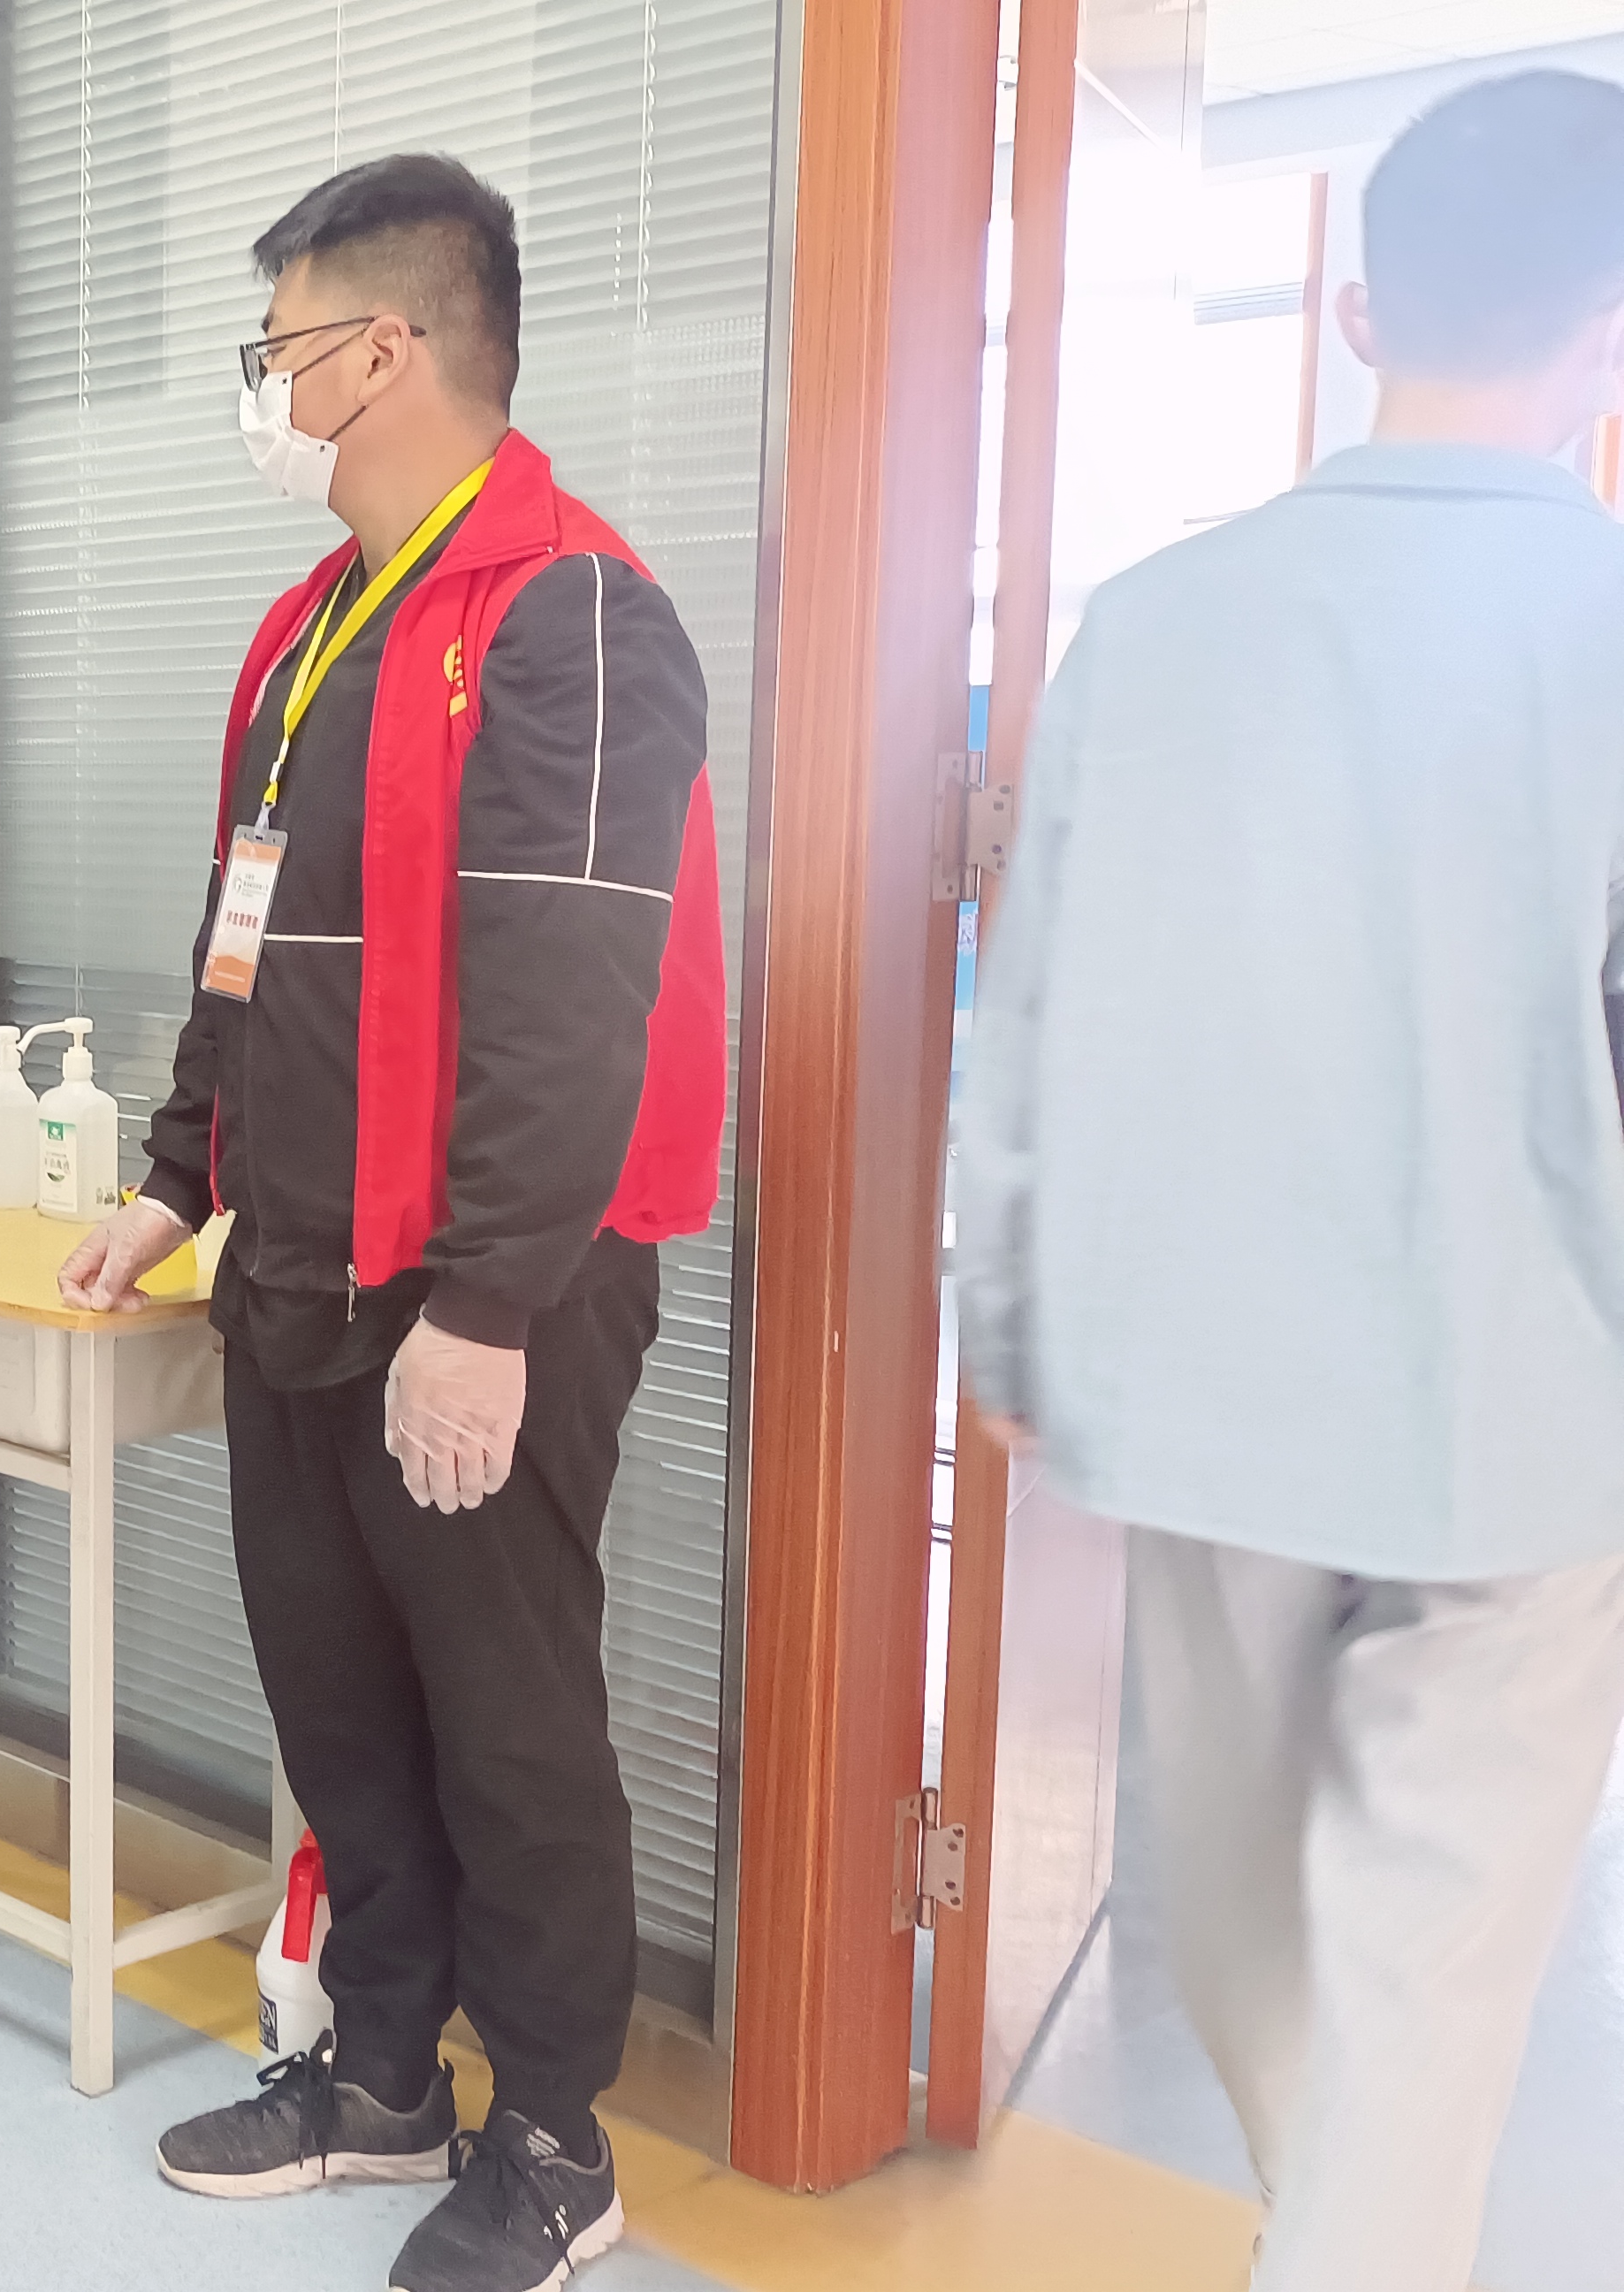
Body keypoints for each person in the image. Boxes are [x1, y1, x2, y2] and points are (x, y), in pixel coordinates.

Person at [959, 74, 1624, 2292]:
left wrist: (1006, 1315)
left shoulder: (1152, 625)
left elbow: (1032, 1004)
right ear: (1609, 332)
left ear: (1356, 312)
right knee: (1434, 1974)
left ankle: (1321, 2236)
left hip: (1208, 1391)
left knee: (1239, 1912)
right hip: (1530, 1407)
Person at [57, 155, 726, 2292]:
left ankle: (552, 2142)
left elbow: (572, 1001)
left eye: (274, 347)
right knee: (341, 1708)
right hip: (297, 1269)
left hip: (480, 1292)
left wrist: (491, 1305)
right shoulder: (310, 628)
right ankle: (379, 2078)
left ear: (382, 349)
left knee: (507, 1727)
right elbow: (246, 950)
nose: (260, 386)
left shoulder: (569, 614)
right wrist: (175, 1182)